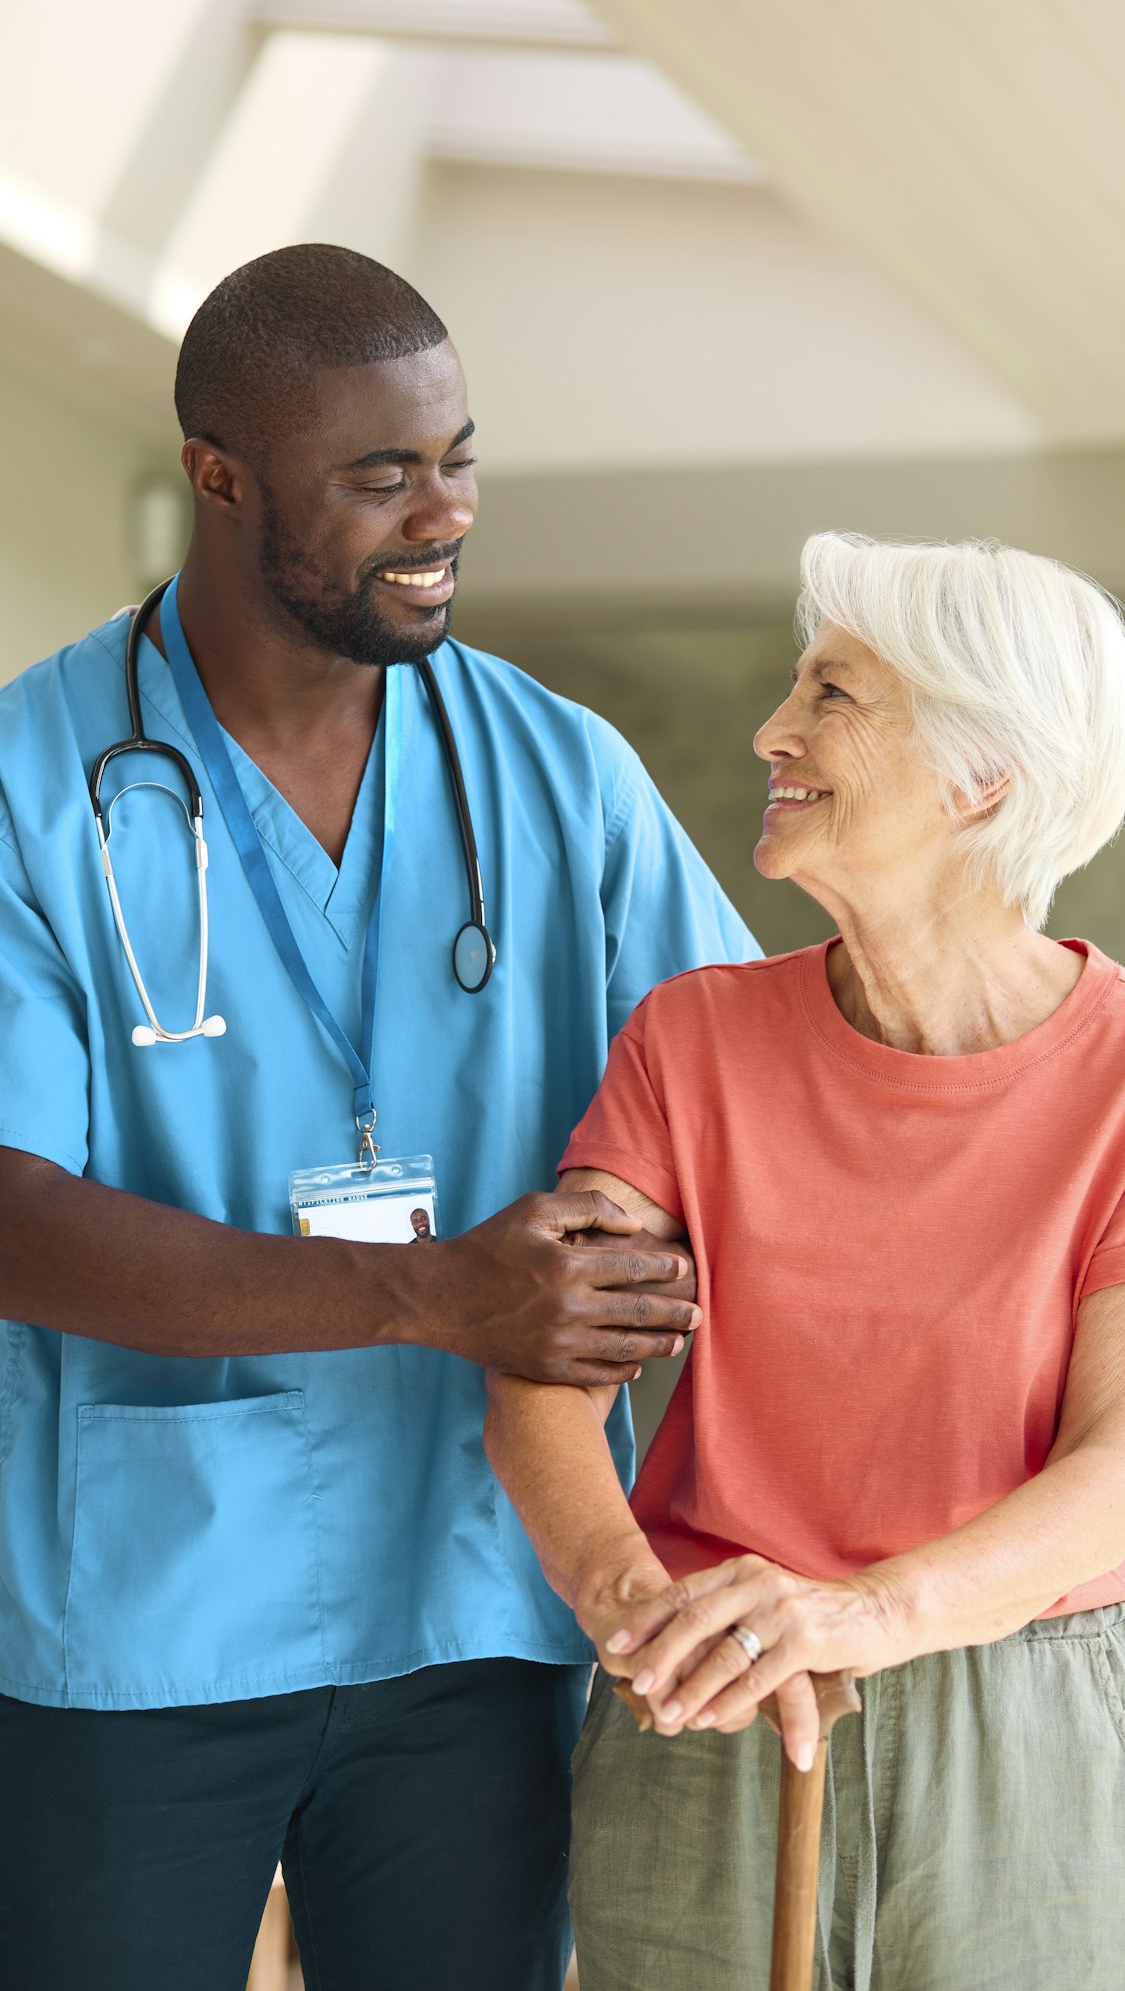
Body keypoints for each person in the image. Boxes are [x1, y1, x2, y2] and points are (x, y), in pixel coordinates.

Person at [0, 243, 755, 1991]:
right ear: (220, 477)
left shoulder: (559, 773)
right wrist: (425, 1294)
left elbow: (741, 1103)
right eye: (381, 475)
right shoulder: (35, 787)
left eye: (460, 458)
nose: (445, 514)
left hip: (484, 1607)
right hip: (140, 1618)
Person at [486, 532, 1125, 1991]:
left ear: (981, 776)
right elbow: (545, 1380)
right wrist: (637, 1617)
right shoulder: (690, 1041)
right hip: (699, 1687)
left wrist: (862, 1614)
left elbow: (1114, 1458)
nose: (772, 731)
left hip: (1023, 1705)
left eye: (831, 695)